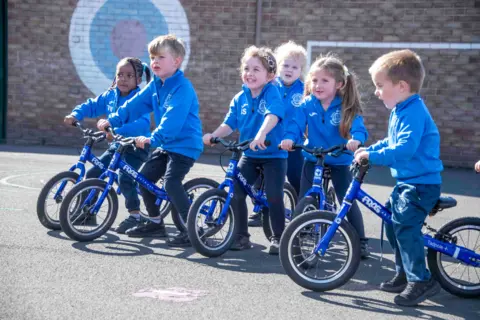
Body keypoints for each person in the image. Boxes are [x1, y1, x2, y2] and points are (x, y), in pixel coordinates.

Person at [354, 49, 443, 306]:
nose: (376, 92)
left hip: (421, 184)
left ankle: (421, 280)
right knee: (392, 224)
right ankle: (405, 273)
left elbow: (405, 149)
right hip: (408, 182)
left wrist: (373, 158)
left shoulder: (413, 112)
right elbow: (391, 142)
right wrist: (369, 150)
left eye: (380, 86)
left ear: (402, 86)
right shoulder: (401, 110)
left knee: (404, 226)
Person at [97, 34, 203, 247]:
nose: (154, 62)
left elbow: (172, 121)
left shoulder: (182, 88)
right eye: (152, 57)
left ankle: (194, 229)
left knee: (172, 182)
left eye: (160, 57)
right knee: (143, 179)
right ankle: (155, 222)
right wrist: (112, 121)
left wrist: (151, 139)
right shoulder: (156, 86)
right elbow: (133, 106)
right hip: (165, 144)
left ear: (176, 61)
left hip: (184, 145)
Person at [280, 53, 369, 259]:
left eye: (324, 81)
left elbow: (358, 128)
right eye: (314, 80)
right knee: (304, 197)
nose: (317, 85)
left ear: (338, 84)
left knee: (347, 200)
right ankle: (298, 234)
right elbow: (295, 126)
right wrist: (289, 139)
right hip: (313, 158)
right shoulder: (306, 104)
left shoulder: (346, 106)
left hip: (339, 159)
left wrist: (355, 140)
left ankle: (361, 241)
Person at [203, 46, 287, 255]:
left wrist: (261, 135)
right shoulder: (240, 97)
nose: (250, 73)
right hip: (249, 155)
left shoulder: (272, 92)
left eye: (256, 69)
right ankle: (241, 236)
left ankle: (279, 237)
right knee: (236, 191)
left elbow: (272, 115)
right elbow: (229, 123)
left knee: (274, 195)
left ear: (270, 76)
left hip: (273, 155)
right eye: (246, 68)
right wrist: (214, 135)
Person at [64, 57, 151, 229]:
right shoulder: (111, 95)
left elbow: (142, 124)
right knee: (92, 174)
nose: (123, 79)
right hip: (117, 146)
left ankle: (135, 216)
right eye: (120, 74)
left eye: (129, 75)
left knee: (125, 177)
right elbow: (92, 105)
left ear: (138, 80)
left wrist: (116, 131)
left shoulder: (140, 99)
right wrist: (76, 114)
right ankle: (87, 213)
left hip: (136, 146)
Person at [248, 41, 306, 227]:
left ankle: (302, 213)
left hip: (293, 144)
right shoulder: (270, 87)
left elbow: (303, 116)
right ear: (277, 67)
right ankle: (259, 208)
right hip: (270, 141)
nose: (289, 69)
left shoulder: (304, 90)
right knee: (258, 178)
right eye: (285, 65)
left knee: (297, 178)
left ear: (301, 70)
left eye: (295, 67)